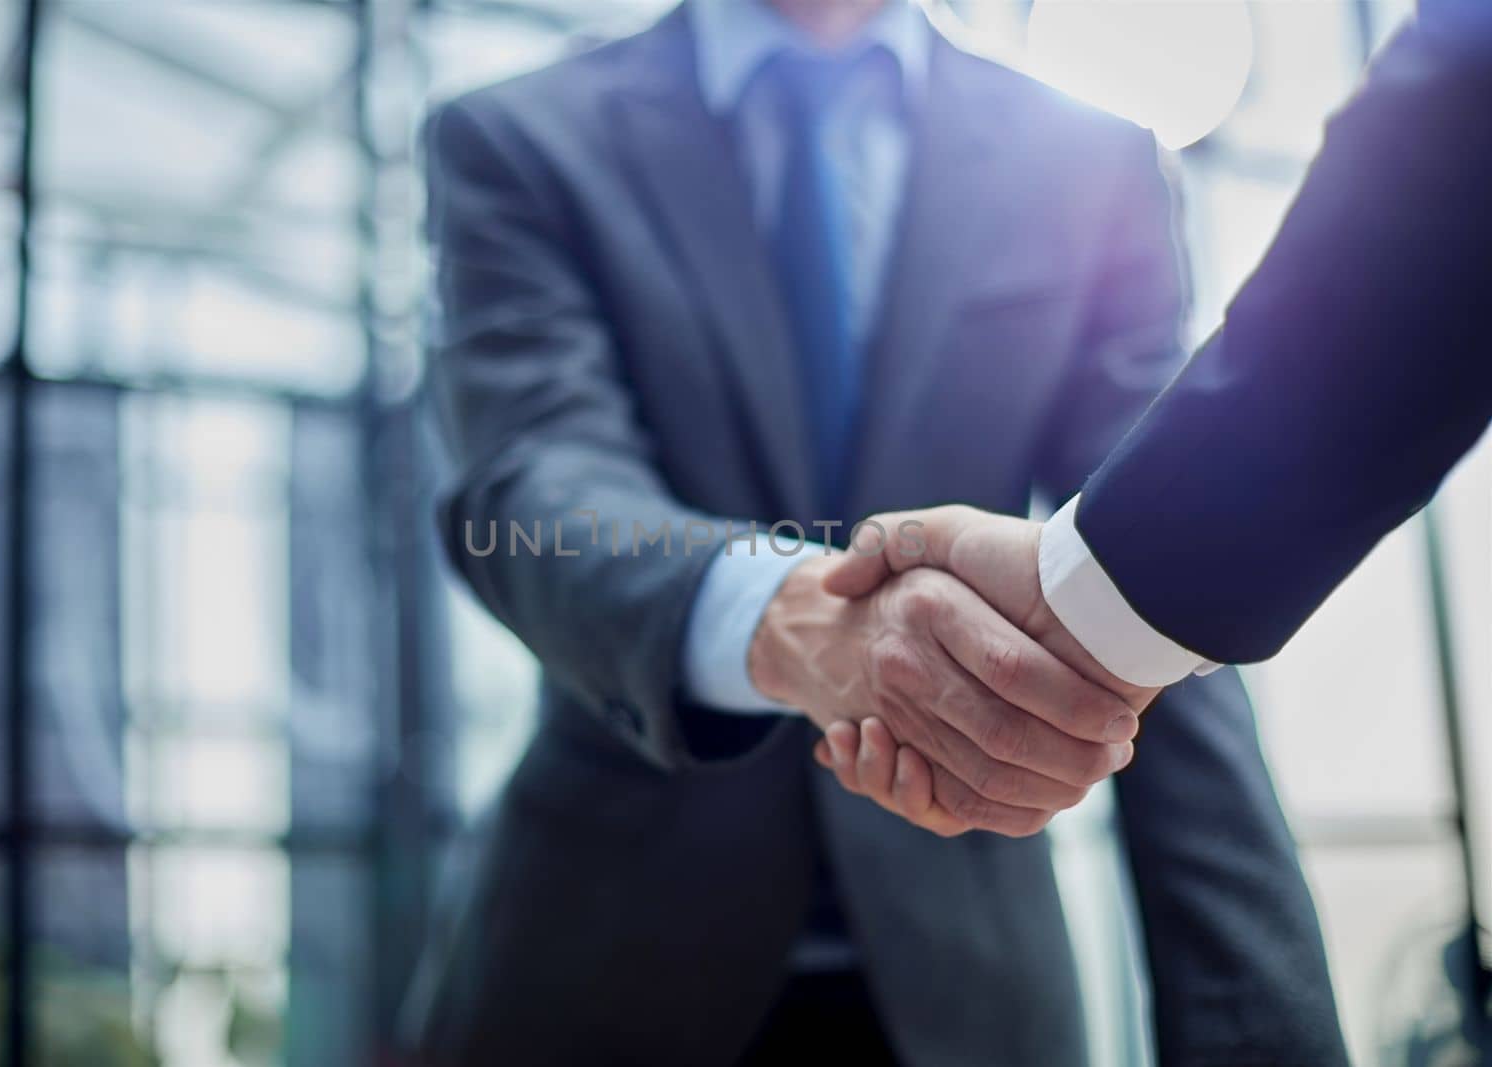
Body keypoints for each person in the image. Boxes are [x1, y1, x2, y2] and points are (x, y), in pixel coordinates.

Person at [423, 0, 1344, 1063]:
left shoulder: (1087, 164)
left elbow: (1164, 579)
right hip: (598, 969)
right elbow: (534, 489)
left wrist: (1258, 1029)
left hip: (973, 984)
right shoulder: (522, 136)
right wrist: (797, 621)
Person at [821, 1, 1492, 842]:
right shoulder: (596, 122)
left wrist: (1256, 973)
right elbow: (598, 508)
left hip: (970, 925)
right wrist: (808, 627)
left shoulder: (1084, 156)